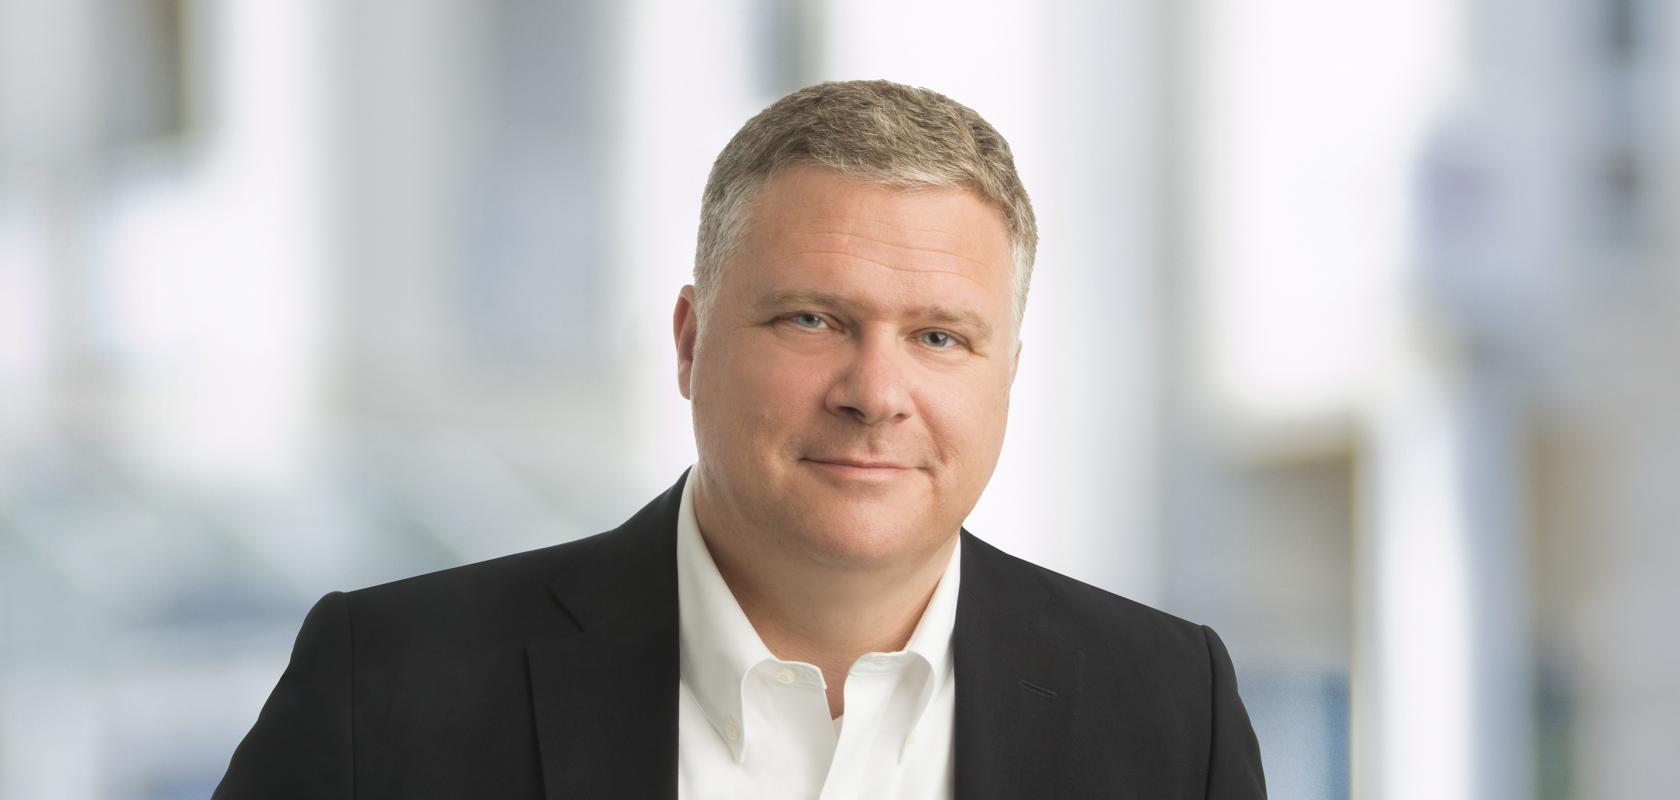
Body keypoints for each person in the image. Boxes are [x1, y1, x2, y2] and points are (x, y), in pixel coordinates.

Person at [214, 79, 1266, 799]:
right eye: (812, 319)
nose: (875, 393)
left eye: (940, 337)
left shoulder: (1171, 711)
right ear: (689, 342)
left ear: (1009, 376)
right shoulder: (386, 687)